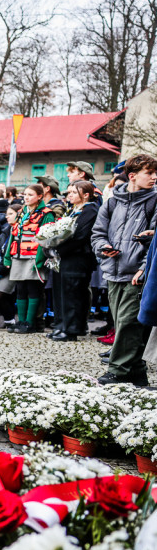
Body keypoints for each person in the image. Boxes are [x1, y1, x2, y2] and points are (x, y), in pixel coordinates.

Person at [92, 154, 157, 385]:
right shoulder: (111, 201)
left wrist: (144, 268)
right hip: (113, 271)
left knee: (130, 322)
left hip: (138, 274)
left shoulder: (155, 201)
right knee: (122, 323)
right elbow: (97, 233)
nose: (154, 177)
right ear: (132, 176)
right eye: (149, 173)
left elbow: (156, 242)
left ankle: (117, 371)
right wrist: (103, 248)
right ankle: (137, 374)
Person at [51, 180, 100, 341]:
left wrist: (59, 248)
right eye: (69, 192)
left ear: (85, 195)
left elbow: (81, 235)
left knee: (73, 293)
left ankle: (72, 329)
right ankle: (63, 324)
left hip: (79, 256)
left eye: (73, 192)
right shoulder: (73, 209)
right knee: (64, 292)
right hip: (67, 256)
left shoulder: (90, 210)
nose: (69, 195)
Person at [3, 184, 55, 333]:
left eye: (30, 195)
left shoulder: (47, 214)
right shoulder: (22, 212)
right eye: (25, 194)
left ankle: (30, 323)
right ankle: (21, 321)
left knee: (33, 290)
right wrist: (7, 257)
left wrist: (39, 261)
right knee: (20, 290)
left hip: (34, 257)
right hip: (19, 256)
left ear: (40, 196)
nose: (26, 197)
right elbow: (13, 235)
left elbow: (46, 239)